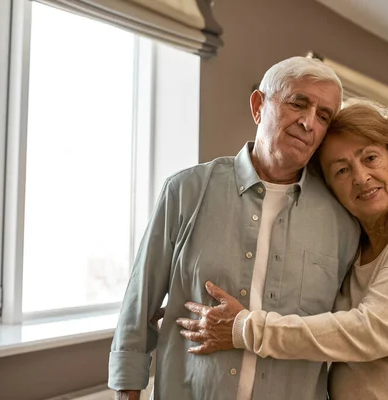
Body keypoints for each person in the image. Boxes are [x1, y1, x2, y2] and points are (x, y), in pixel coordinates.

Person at [175, 99, 388, 399]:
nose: (361, 177)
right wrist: (188, 297)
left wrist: (245, 327)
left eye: (370, 157)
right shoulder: (348, 249)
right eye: (341, 170)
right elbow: (308, 313)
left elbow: (372, 330)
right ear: (328, 189)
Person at [108, 56, 361, 400]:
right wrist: (127, 392)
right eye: (298, 103)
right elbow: (139, 307)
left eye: (323, 116)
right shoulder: (186, 191)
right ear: (259, 106)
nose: (308, 122)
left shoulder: (343, 221)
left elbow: (346, 332)